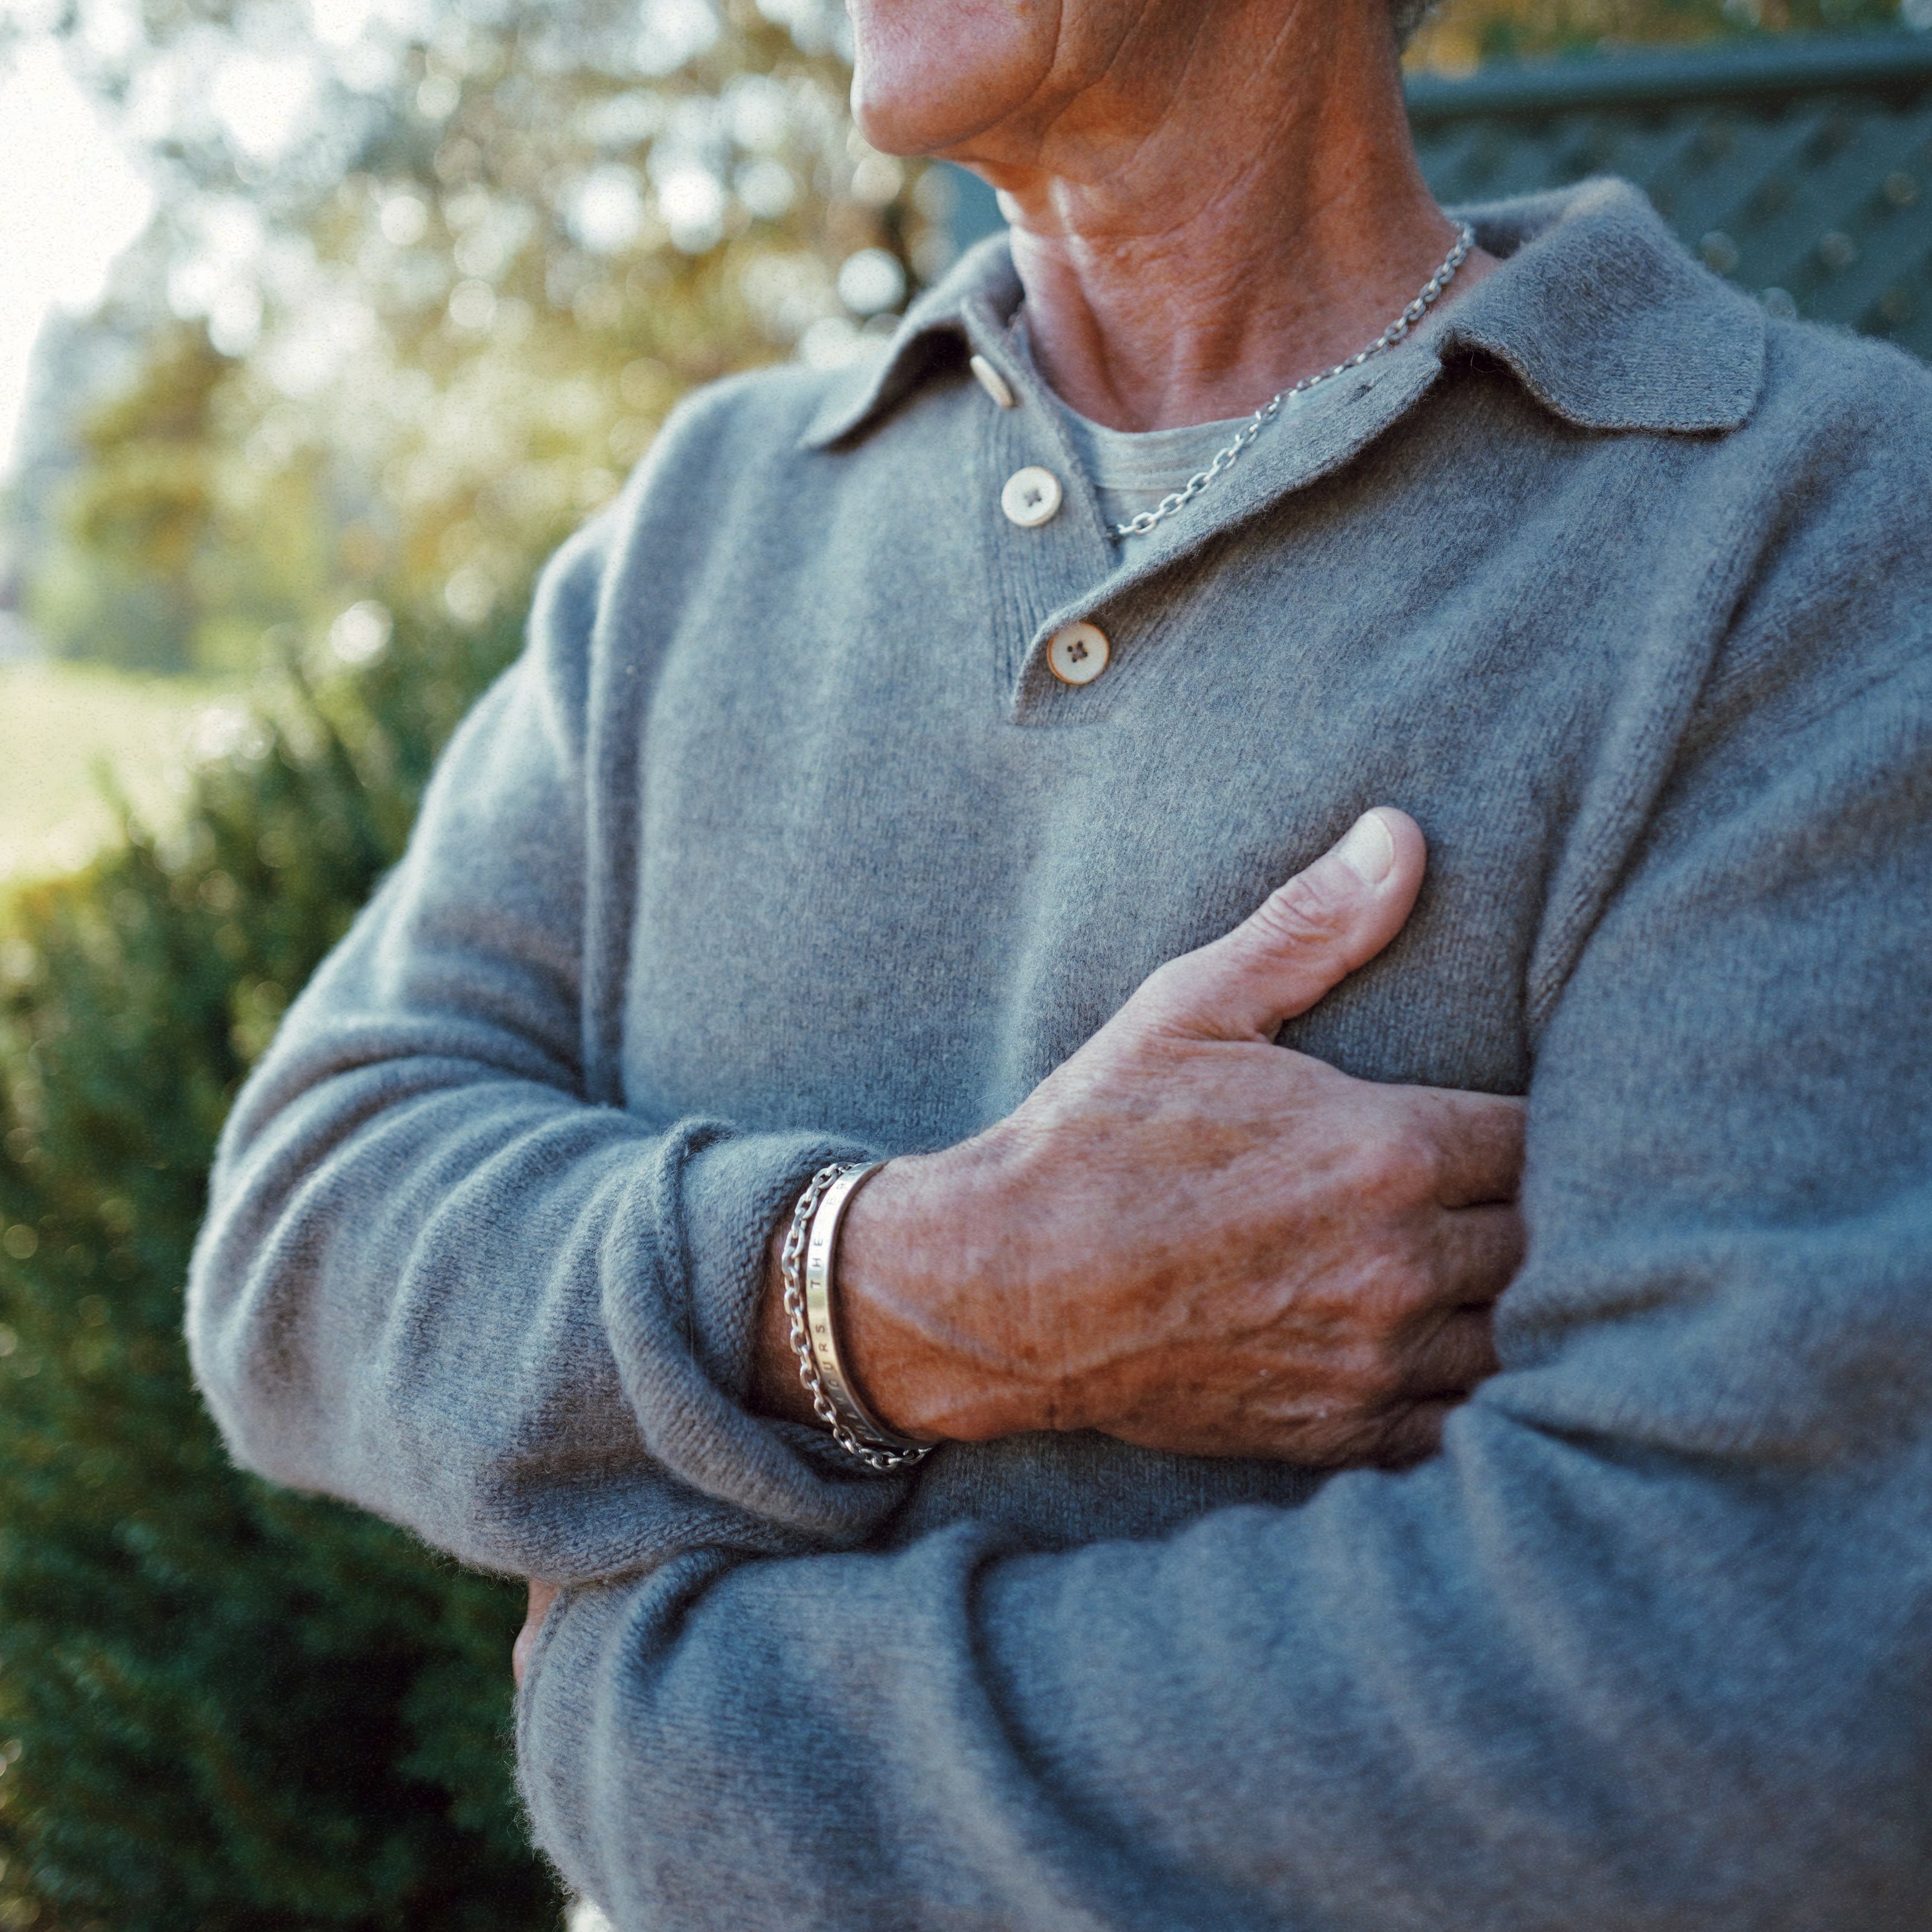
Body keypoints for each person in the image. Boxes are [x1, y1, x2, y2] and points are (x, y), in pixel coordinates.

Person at [188, 0, 1932, 1921]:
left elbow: (1737, 1701)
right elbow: (305, 1237)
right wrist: (917, 1294)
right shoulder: (712, 514)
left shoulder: (1817, 529)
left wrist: (671, 1733)